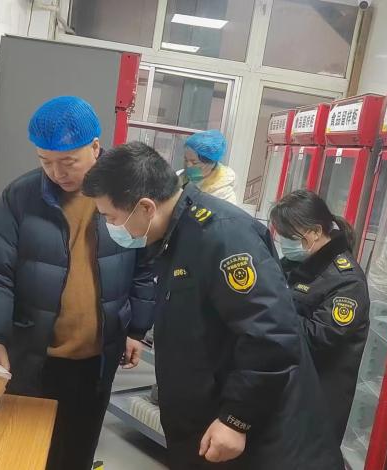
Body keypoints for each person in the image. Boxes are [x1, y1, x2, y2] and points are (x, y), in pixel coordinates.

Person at [82, 142, 337, 469]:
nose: (111, 228)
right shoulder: (175, 236)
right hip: (206, 425)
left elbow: (271, 337)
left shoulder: (222, 237)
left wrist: (236, 419)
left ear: (146, 207)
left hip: (257, 441)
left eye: (111, 217)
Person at [0, 96, 156, 470]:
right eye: (45, 161)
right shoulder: (22, 197)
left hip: (97, 358)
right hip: (33, 355)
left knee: (76, 454)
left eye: (68, 162)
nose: (57, 173)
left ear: (95, 147)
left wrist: (136, 329)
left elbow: (145, 265)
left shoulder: (129, 194)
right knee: (23, 455)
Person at [270, 189, 370, 460]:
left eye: (289, 236)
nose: (283, 242)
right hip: (285, 392)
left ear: (314, 232)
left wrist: (269, 311)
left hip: (315, 403)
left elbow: (317, 338)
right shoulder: (296, 263)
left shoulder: (347, 282)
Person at [180, 130, 238, 204]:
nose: (188, 165)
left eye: (194, 163)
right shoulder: (181, 176)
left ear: (211, 163)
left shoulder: (224, 194)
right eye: (186, 160)